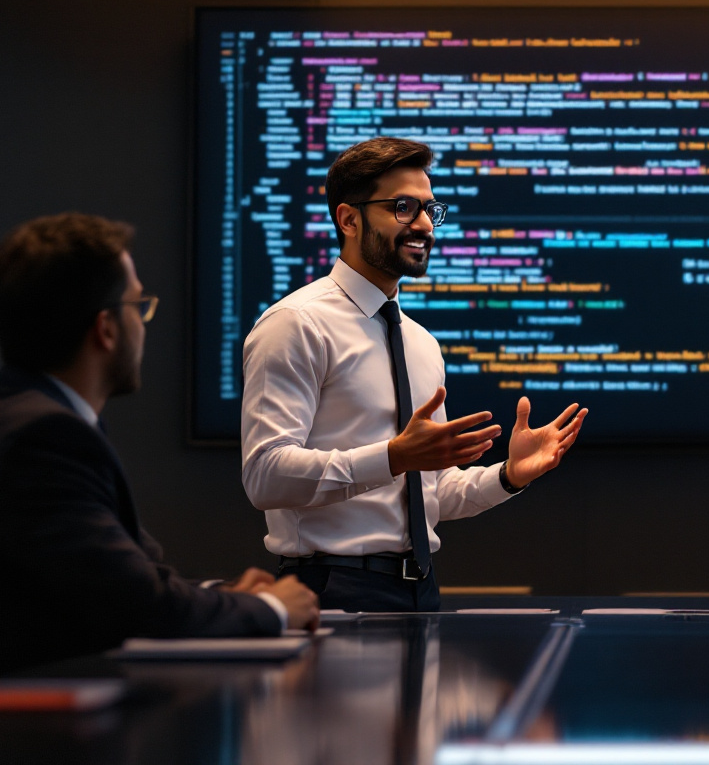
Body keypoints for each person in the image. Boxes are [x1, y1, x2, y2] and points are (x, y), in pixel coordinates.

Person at [0, 213, 319, 678]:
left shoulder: (5, 416)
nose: (144, 325)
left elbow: (134, 578)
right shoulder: (43, 439)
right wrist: (274, 609)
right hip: (44, 712)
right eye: (139, 306)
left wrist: (224, 597)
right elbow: (142, 607)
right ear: (105, 329)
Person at [242, 137, 588, 613]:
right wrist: (393, 457)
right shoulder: (296, 324)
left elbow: (433, 492)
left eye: (429, 209)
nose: (424, 224)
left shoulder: (420, 342)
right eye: (403, 207)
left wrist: (508, 476)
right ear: (348, 219)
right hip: (329, 589)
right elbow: (264, 475)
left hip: (419, 589)